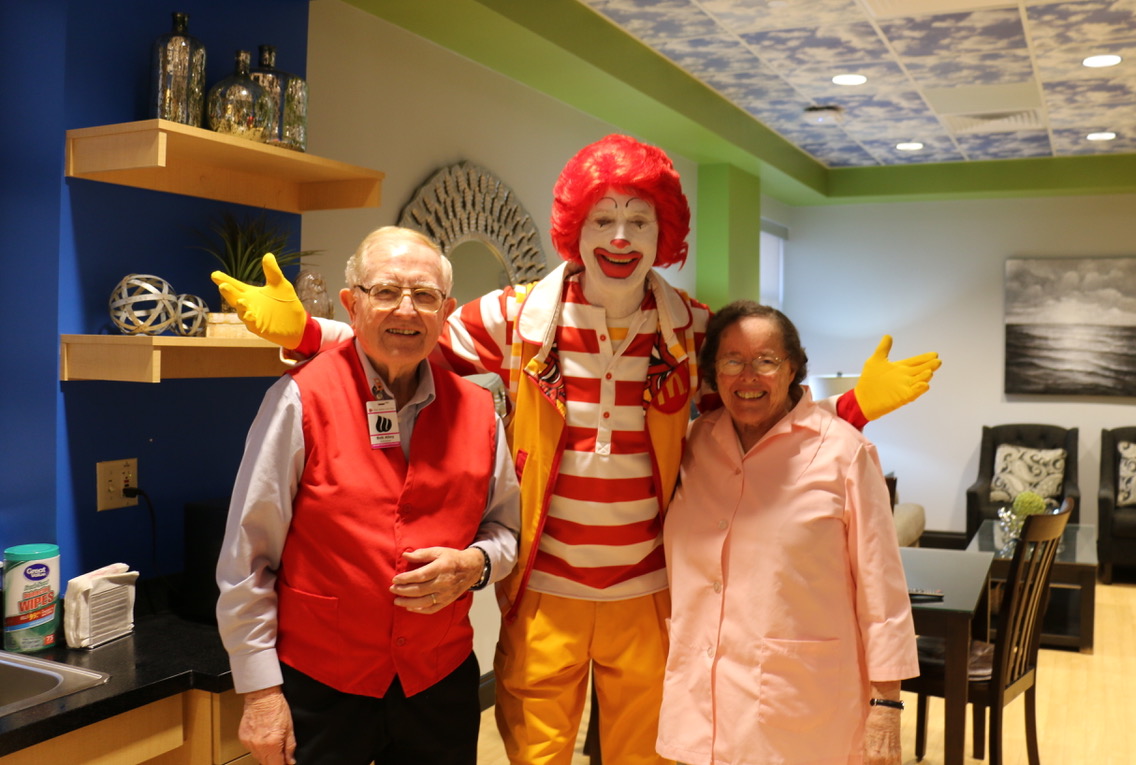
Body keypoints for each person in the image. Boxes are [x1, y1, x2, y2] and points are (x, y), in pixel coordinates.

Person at [214, 135, 939, 765]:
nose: (620, 238)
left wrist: (850, 409)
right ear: (575, 228)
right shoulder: (512, 315)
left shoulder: (692, 329)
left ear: (664, 233)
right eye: (604, 219)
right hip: (545, 592)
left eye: (639, 220)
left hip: (648, 593)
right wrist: (309, 333)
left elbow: (759, 412)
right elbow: (408, 335)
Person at [215, 226, 520, 765]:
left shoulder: (479, 413)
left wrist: (476, 564)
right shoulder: (298, 400)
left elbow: (505, 531)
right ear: (352, 305)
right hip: (323, 686)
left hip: (439, 684)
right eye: (386, 291)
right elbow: (248, 557)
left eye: (424, 295)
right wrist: (260, 692)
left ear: (446, 312)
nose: (406, 309)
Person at [658, 300, 918, 765]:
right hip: (702, 701)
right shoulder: (695, 443)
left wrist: (887, 703)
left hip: (803, 708)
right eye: (732, 361)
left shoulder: (845, 453)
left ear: (792, 367)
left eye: (766, 361)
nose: (748, 376)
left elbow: (882, 592)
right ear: (714, 372)